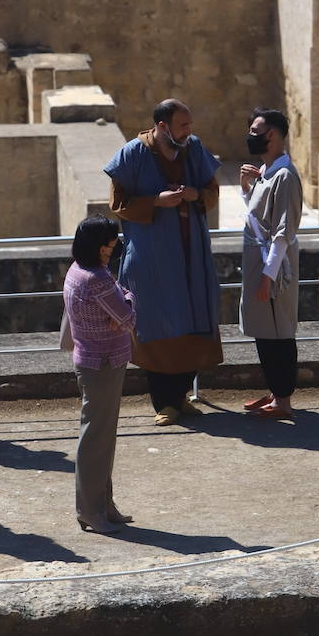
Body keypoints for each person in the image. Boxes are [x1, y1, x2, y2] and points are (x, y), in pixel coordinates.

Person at [105, 99, 222, 427]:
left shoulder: (193, 148)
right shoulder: (133, 154)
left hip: (192, 254)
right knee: (156, 324)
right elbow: (118, 203)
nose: (189, 130)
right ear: (162, 126)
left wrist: (193, 196)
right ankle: (164, 402)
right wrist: (157, 201)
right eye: (182, 125)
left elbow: (210, 191)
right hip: (153, 259)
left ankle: (182, 395)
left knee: (195, 319)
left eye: (189, 124)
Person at [63, 215, 136, 534]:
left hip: (92, 361)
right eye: (109, 245)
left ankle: (103, 505)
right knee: (96, 440)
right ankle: (92, 510)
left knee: (101, 438)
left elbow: (119, 311)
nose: (113, 250)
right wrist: (129, 301)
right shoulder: (98, 279)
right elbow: (128, 316)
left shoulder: (78, 270)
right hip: (103, 363)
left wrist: (121, 309)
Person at [239, 108, 303, 420]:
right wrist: (246, 190)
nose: (250, 136)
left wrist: (268, 276)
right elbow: (259, 219)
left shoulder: (285, 176)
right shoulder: (269, 173)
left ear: (272, 135)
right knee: (266, 331)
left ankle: (283, 400)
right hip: (262, 264)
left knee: (279, 333)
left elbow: (282, 231)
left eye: (255, 130)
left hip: (273, 268)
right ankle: (276, 391)